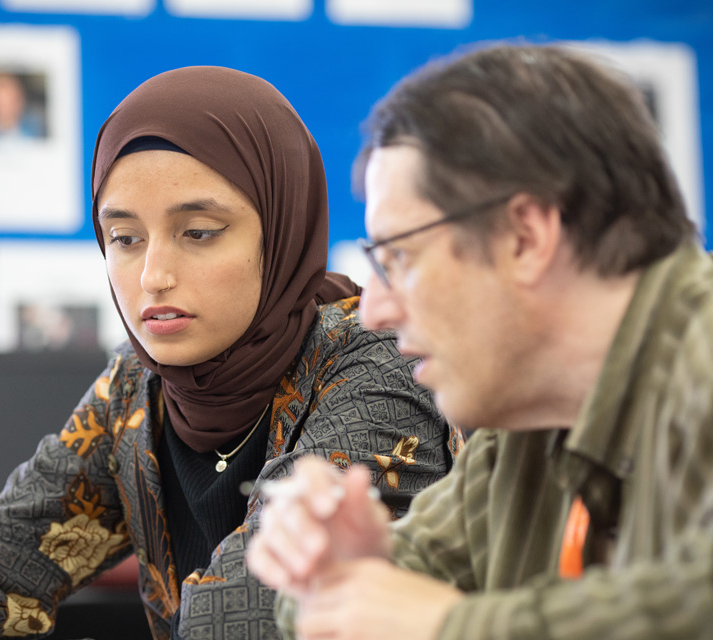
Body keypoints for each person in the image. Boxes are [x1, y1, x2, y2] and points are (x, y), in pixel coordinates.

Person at [0, 66, 460, 640]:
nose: (153, 276)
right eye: (124, 238)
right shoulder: (138, 385)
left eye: (198, 233)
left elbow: (252, 614)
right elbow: (0, 563)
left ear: (281, 228)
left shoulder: (379, 368)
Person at [246, 42, 713, 640]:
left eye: (400, 259)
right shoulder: (525, 421)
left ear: (524, 237)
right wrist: (341, 568)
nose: (375, 313)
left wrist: (451, 626)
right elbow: (356, 609)